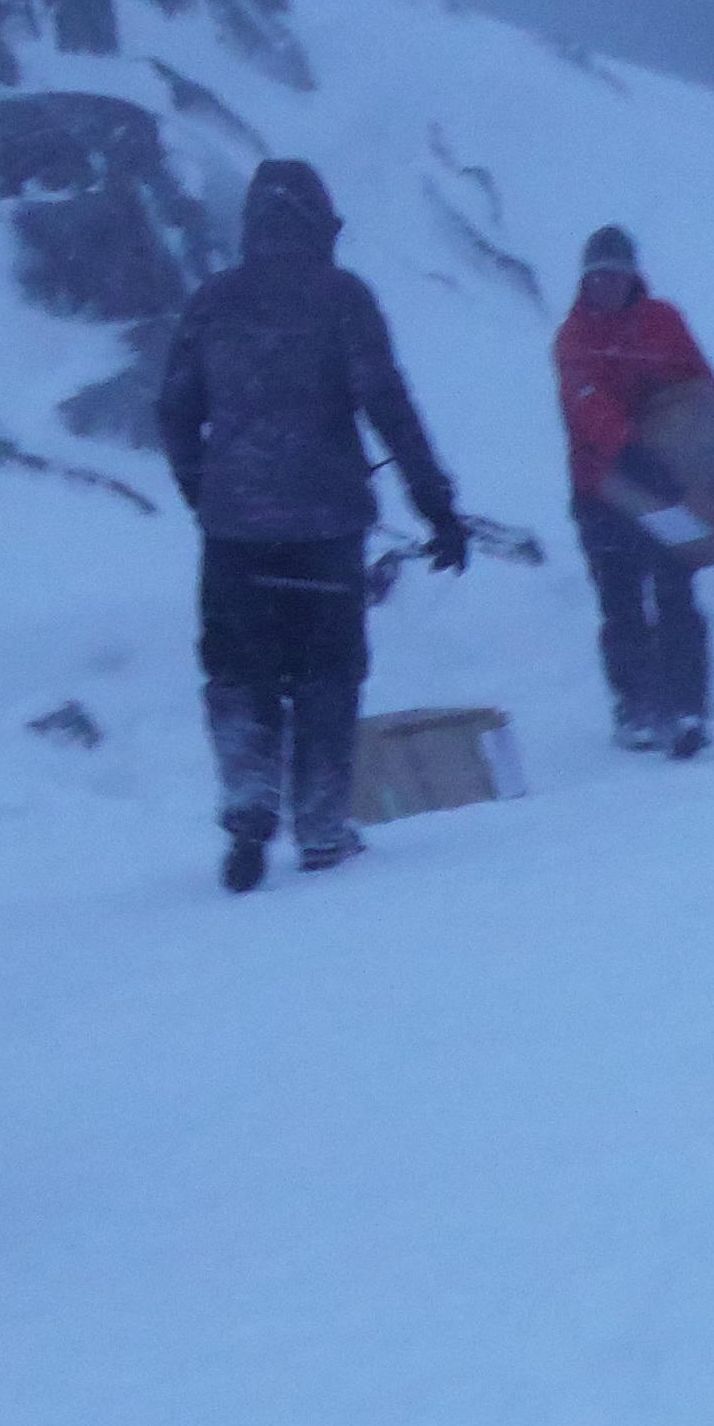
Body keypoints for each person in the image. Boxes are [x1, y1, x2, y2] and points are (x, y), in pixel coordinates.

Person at [155, 158, 468, 890]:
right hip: (326, 531)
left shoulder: (212, 302)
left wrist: (205, 491)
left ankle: (249, 798)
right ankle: (322, 828)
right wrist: (437, 508)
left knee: (238, 673)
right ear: (318, 225)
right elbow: (388, 407)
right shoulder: (343, 298)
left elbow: (174, 410)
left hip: (234, 533)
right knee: (328, 677)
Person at [554, 224, 714, 755]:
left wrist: (696, 443)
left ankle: (688, 707)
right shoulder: (573, 337)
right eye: (596, 277)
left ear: (632, 277)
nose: (606, 285)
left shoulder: (663, 323)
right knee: (620, 600)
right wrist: (631, 451)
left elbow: (698, 386)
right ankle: (637, 708)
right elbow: (586, 407)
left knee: (676, 591)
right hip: (602, 490)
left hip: (664, 486)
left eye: (615, 276)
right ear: (585, 281)